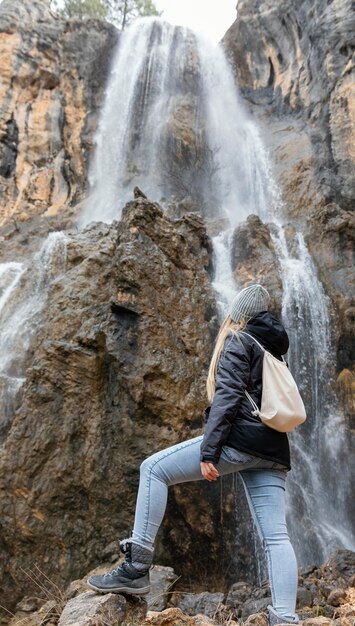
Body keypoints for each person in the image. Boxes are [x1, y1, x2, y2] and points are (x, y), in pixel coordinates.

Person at [87, 284, 299, 626]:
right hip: (273, 450)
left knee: (153, 468)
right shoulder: (274, 348)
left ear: (238, 314)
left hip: (240, 442)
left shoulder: (239, 340)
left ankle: (137, 568)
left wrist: (210, 451)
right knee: (276, 537)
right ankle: (286, 619)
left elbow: (227, 398)